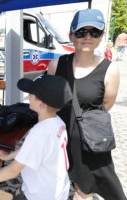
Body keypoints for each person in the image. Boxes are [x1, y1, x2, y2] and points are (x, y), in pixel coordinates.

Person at [47, 9, 126, 200]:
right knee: (55, 183)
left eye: (94, 32)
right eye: (81, 32)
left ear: (101, 36)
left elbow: (106, 105)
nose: (87, 37)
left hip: (89, 143)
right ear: (71, 35)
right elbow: (50, 101)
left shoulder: (110, 70)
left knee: (84, 191)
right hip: (59, 139)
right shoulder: (56, 65)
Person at [0, 75, 73, 200]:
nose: (29, 96)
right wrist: (8, 156)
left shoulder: (39, 133)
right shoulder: (58, 123)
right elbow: (33, 149)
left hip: (41, 196)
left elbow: (12, 171)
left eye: (31, 94)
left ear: (41, 104)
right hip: (57, 189)